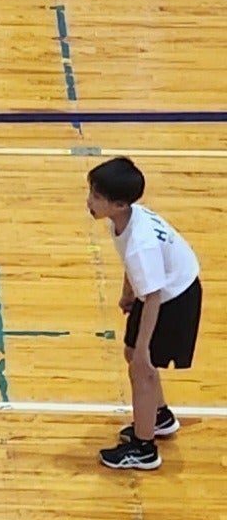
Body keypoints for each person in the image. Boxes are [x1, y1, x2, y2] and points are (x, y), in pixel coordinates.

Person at [88, 157, 202, 472]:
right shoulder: (124, 219)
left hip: (173, 299)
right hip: (165, 288)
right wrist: (128, 293)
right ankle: (159, 416)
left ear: (119, 204)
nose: (89, 201)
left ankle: (144, 448)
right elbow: (134, 267)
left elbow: (153, 296)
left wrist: (143, 350)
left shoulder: (141, 243)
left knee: (141, 366)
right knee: (133, 355)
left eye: (96, 197)